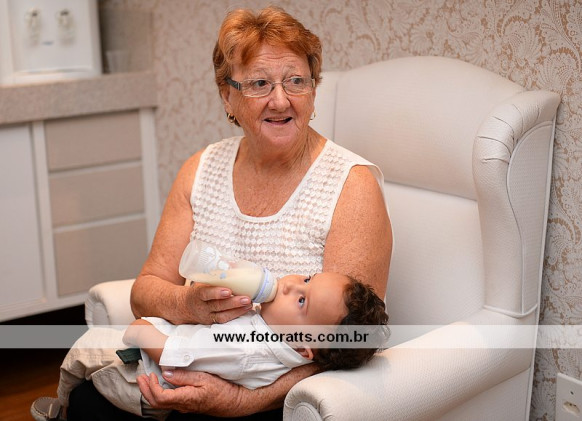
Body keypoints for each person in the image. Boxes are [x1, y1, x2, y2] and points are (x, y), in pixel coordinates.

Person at [56, 5, 392, 420]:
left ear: (313, 90)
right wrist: (188, 304)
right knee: (89, 402)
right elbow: (145, 291)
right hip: (185, 364)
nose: (281, 100)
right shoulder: (201, 170)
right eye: (259, 83)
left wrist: (239, 400)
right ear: (227, 96)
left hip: (278, 399)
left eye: (296, 81)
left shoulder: (351, 185)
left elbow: (349, 343)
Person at [33, 273, 388, 420]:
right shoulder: (273, 333)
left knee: (83, 352)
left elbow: (175, 356)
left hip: (144, 376)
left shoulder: (247, 348)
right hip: (156, 362)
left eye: (301, 300)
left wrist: (141, 332)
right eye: (307, 278)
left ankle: (60, 409)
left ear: (304, 348)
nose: (291, 284)